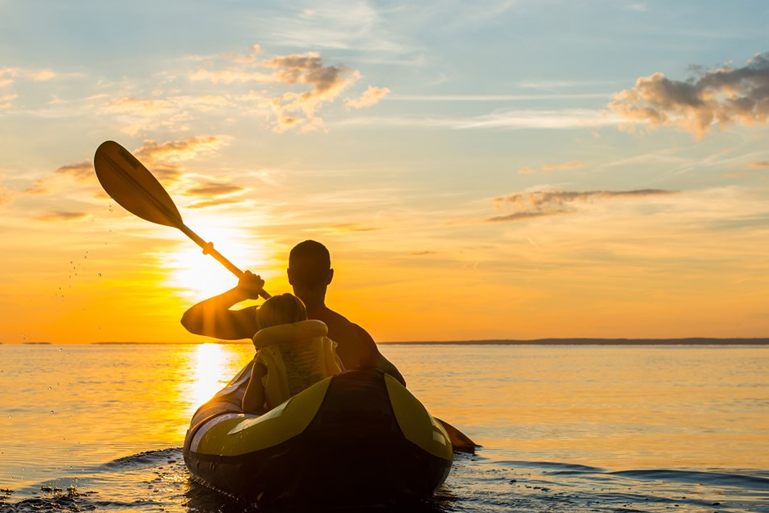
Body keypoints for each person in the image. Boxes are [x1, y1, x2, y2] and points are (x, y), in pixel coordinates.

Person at [181, 240, 406, 386]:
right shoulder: (355, 335)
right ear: (329, 276)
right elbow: (398, 382)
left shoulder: (263, 319)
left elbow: (192, 320)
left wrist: (240, 292)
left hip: (282, 432)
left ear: (289, 276)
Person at [242, 293, 343, 414]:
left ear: (263, 325)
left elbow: (251, 406)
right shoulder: (326, 345)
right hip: (330, 417)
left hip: (289, 424)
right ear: (304, 319)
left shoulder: (265, 356)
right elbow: (345, 380)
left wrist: (268, 415)